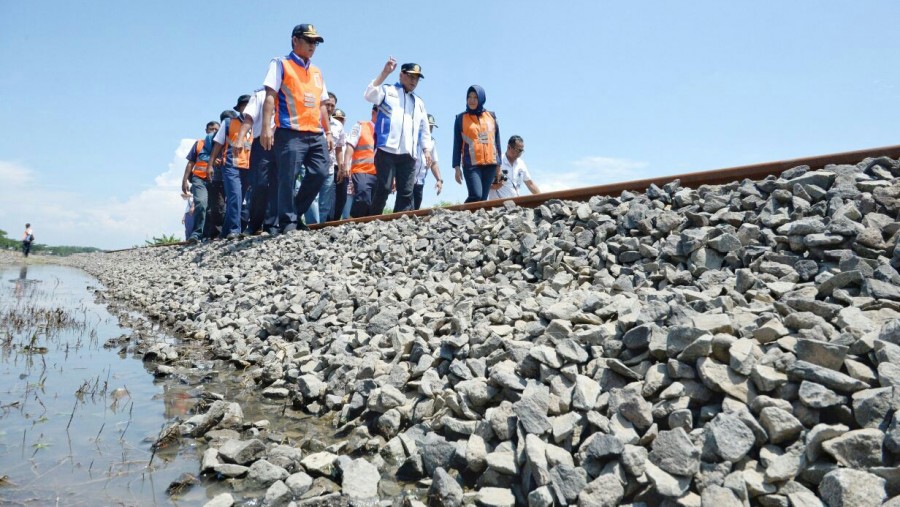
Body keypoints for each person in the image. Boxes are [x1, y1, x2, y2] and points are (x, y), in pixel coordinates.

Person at [260, 23, 333, 234]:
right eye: (309, 40)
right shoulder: (280, 63)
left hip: (315, 133)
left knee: (320, 172)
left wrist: (327, 132)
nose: (313, 46)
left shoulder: (317, 72)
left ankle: (294, 213)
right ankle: (288, 223)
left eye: (316, 42)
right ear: (295, 40)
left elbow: (322, 104)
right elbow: (270, 96)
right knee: (288, 178)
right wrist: (266, 127)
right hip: (290, 132)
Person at [364, 58, 433, 214]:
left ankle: (398, 222)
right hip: (386, 149)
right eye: (411, 76)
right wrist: (384, 73)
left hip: (408, 153)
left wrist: (426, 150)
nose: (413, 81)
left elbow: (424, 128)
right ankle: (373, 219)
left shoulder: (419, 102)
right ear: (401, 75)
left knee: (406, 191)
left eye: (416, 78)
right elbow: (369, 94)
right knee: (384, 188)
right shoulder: (388, 91)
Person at [209, 95, 252, 239]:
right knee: (235, 196)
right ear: (239, 108)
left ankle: (225, 231)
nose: (247, 108)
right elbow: (218, 145)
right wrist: (210, 165)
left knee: (239, 199)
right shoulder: (228, 123)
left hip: (248, 167)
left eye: (249, 105)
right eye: (244, 105)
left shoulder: (256, 123)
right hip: (230, 166)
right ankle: (235, 229)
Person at [452, 85, 502, 203]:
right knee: (476, 195)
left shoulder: (491, 116)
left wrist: (498, 166)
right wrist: (456, 167)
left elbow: (497, 142)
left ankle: (475, 220)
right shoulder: (460, 118)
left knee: (483, 199)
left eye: (475, 97)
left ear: (481, 99)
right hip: (471, 164)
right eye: (469, 97)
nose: (472, 100)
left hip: (490, 164)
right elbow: (457, 144)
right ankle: (461, 215)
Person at [237, 88, 275, 235]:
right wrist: (240, 138)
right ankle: (254, 224)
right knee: (260, 185)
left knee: (283, 184)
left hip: (285, 142)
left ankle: (273, 224)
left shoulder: (290, 92)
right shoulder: (259, 95)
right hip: (262, 143)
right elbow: (249, 118)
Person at [182, 121, 219, 243]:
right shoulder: (199, 144)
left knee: (214, 208)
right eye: (211, 129)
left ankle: (210, 234)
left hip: (215, 181)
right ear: (206, 131)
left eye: (216, 130)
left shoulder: (221, 145)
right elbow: (190, 163)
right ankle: (196, 233)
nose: (213, 132)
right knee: (201, 204)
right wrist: (184, 180)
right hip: (199, 179)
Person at [204, 110, 237, 239]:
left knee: (234, 205)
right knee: (218, 208)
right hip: (217, 177)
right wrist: (211, 161)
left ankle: (230, 230)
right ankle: (216, 234)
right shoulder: (211, 138)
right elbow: (203, 154)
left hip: (234, 175)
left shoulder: (239, 134)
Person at [342, 106, 378, 217]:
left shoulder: (387, 132)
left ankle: (367, 227)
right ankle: (354, 220)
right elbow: (350, 144)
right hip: (362, 170)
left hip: (380, 173)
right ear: (373, 113)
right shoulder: (361, 126)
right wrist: (346, 163)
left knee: (375, 204)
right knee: (363, 197)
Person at [488, 135, 541, 200]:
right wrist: (493, 187)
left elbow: (530, 183)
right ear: (508, 147)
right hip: (497, 205)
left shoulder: (521, 164)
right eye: (517, 150)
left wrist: (542, 199)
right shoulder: (497, 161)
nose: (519, 153)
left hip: (514, 205)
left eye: (521, 151)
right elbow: (484, 183)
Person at [412, 114, 443, 210]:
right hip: (407, 180)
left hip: (420, 181)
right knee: (405, 207)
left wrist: (439, 180)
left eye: (432, 127)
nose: (430, 129)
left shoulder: (432, 142)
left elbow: (434, 163)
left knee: (415, 209)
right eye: (428, 126)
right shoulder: (412, 138)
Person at [331, 108, 350, 220]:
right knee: (330, 198)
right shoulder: (328, 133)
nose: (339, 121)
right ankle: (328, 221)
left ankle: (335, 221)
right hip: (331, 167)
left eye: (341, 119)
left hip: (342, 169)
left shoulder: (347, 137)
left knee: (341, 198)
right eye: (336, 119)